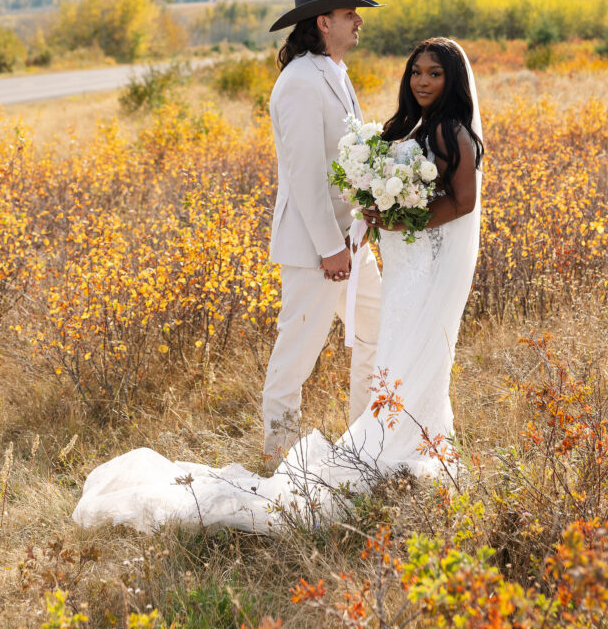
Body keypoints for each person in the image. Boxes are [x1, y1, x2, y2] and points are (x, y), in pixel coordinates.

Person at [72, 37, 483, 535]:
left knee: (404, 355)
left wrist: (400, 218)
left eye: (433, 73)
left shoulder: (445, 129)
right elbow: (309, 174)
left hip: (416, 267)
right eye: (416, 71)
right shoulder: (312, 86)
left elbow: (462, 202)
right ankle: (300, 449)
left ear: (452, 80)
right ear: (325, 21)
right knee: (322, 349)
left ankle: (399, 448)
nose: (421, 80)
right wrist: (374, 215)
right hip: (357, 255)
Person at [262, 0, 384, 463]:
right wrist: (331, 248)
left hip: (352, 240)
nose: (358, 20)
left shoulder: (334, 72)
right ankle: (277, 463)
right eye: (349, 13)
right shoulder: (297, 84)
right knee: (295, 358)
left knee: (378, 331)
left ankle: (365, 446)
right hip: (318, 248)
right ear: (323, 22)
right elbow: (307, 175)